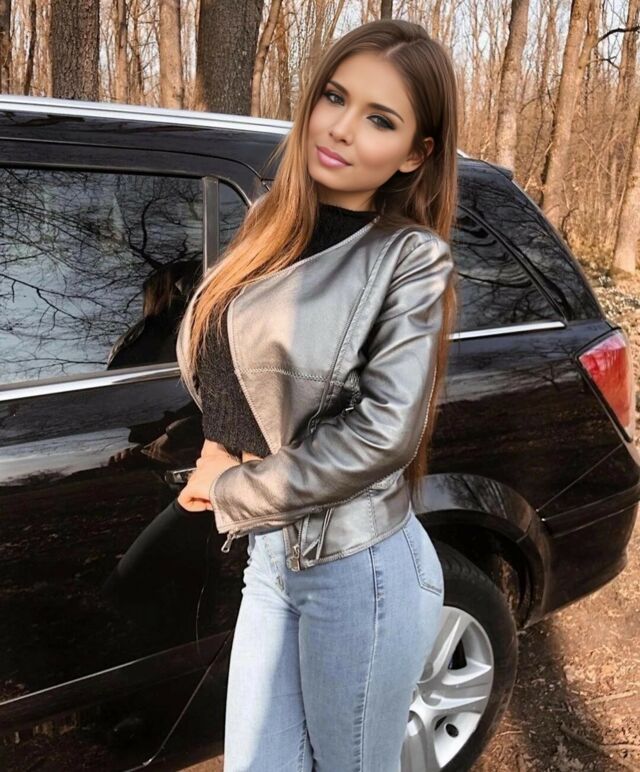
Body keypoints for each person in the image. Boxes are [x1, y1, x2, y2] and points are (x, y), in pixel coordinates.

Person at [173, 18, 459, 772]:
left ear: (415, 154)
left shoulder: (409, 257)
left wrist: (232, 489)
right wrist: (217, 444)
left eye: (381, 119)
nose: (340, 127)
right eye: (335, 96)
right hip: (273, 555)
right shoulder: (268, 225)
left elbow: (384, 434)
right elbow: (235, 368)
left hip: (359, 568)